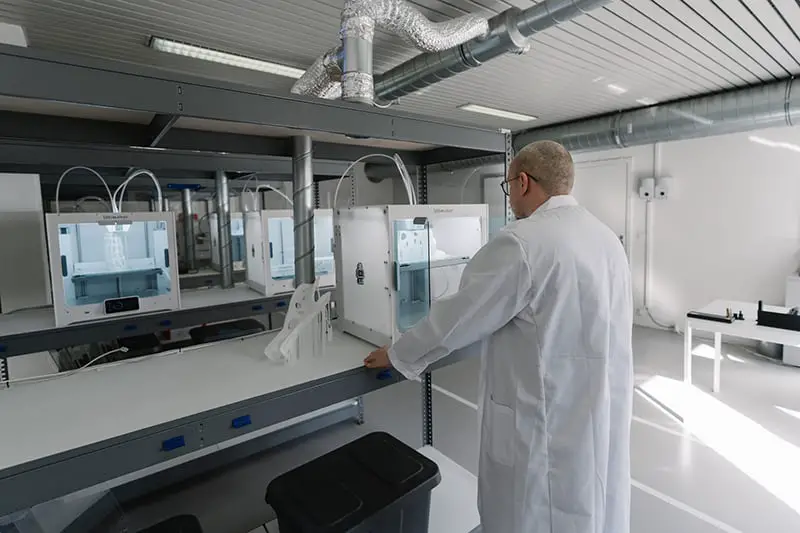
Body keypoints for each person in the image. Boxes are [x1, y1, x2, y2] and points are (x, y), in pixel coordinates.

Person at [364, 140, 633, 533]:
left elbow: (458, 317)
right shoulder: (607, 240)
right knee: (590, 498)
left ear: (523, 182)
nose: (510, 202)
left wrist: (400, 352)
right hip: (596, 405)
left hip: (542, 413)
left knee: (536, 507)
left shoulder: (523, 241)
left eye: (509, 188)